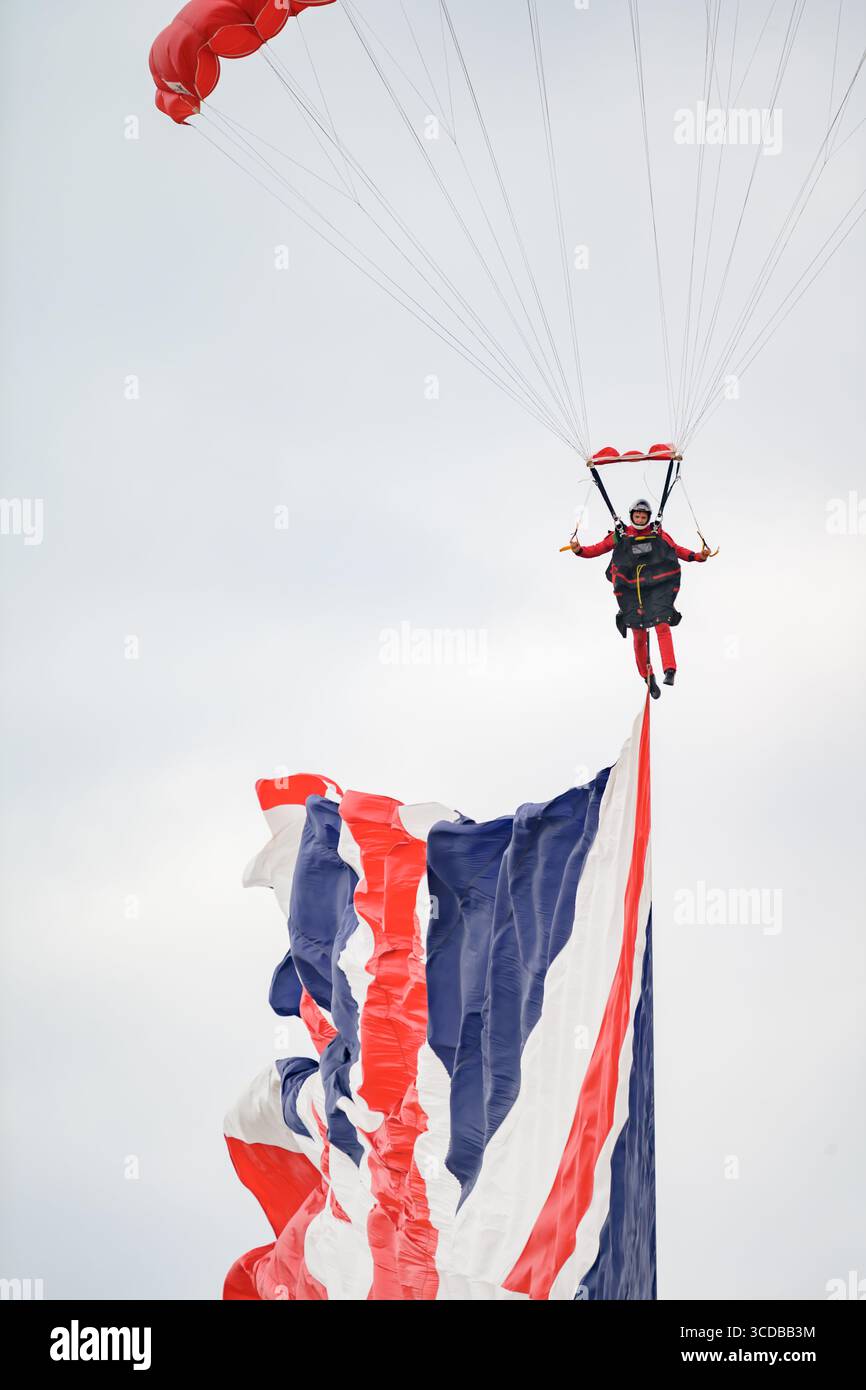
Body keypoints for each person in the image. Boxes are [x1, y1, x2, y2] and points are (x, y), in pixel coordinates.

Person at [570, 499, 711, 697]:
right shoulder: (620, 535)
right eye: (637, 516)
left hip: (657, 587)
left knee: (662, 625)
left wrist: (698, 556)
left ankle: (669, 669)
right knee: (638, 636)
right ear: (631, 516)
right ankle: (648, 676)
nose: (640, 519)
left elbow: (677, 550)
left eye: (643, 517)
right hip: (631, 590)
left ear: (648, 518)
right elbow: (597, 549)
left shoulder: (658, 534)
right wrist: (578, 550)